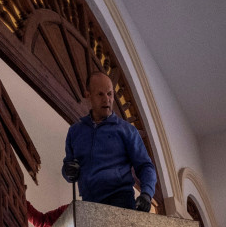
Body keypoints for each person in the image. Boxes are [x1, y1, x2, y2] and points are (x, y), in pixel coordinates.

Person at [62, 71, 157, 212]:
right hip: (89, 204)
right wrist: (68, 171)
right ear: (88, 95)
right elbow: (68, 169)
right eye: (100, 94)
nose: (106, 99)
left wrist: (147, 194)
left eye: (110, 94)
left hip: (121, 201)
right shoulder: (75, 132)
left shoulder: (127, 130)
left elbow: (145, 166)